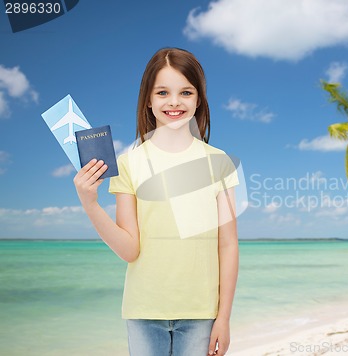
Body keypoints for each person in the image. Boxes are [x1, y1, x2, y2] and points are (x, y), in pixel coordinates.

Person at [73, 48, 239, 356]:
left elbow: (227, 245)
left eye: (185, 92)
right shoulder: (128, 163)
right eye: (163, 92)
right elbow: (129, 249)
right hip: (143, 311)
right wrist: (90, 204)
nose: (174, 102)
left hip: (202, 312)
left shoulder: (220, 163)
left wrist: (224, 317)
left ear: (198, 99)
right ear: (148, 100)